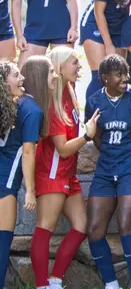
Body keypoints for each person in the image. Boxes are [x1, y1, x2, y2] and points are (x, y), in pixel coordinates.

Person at [85, 55, 131, 289]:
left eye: (126, 73)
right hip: (106, 170)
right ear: (105, 78)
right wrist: (112, 155)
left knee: (126, 227)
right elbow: (96, 137)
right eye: (119, 74)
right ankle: (111, 284)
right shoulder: (94, 101)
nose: (125, 78)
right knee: (94, 230)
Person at [28, 49, 96, 289]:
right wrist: (87, 136)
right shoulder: (53, 105)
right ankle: (41, 284)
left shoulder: (70, 89)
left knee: (81, 226)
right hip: (52, 173)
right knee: (45, 227)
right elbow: (64, 149)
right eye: (74, 62)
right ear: (60, 66)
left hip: (68, 173)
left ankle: (55, 280)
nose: (79, 66)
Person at [0, 60, 42, 289]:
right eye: (16, 75)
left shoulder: (12, 106)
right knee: (1, 247)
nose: (22, 78)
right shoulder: (31, 110)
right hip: (5, 186)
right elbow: (27, 151)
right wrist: (30, 191)